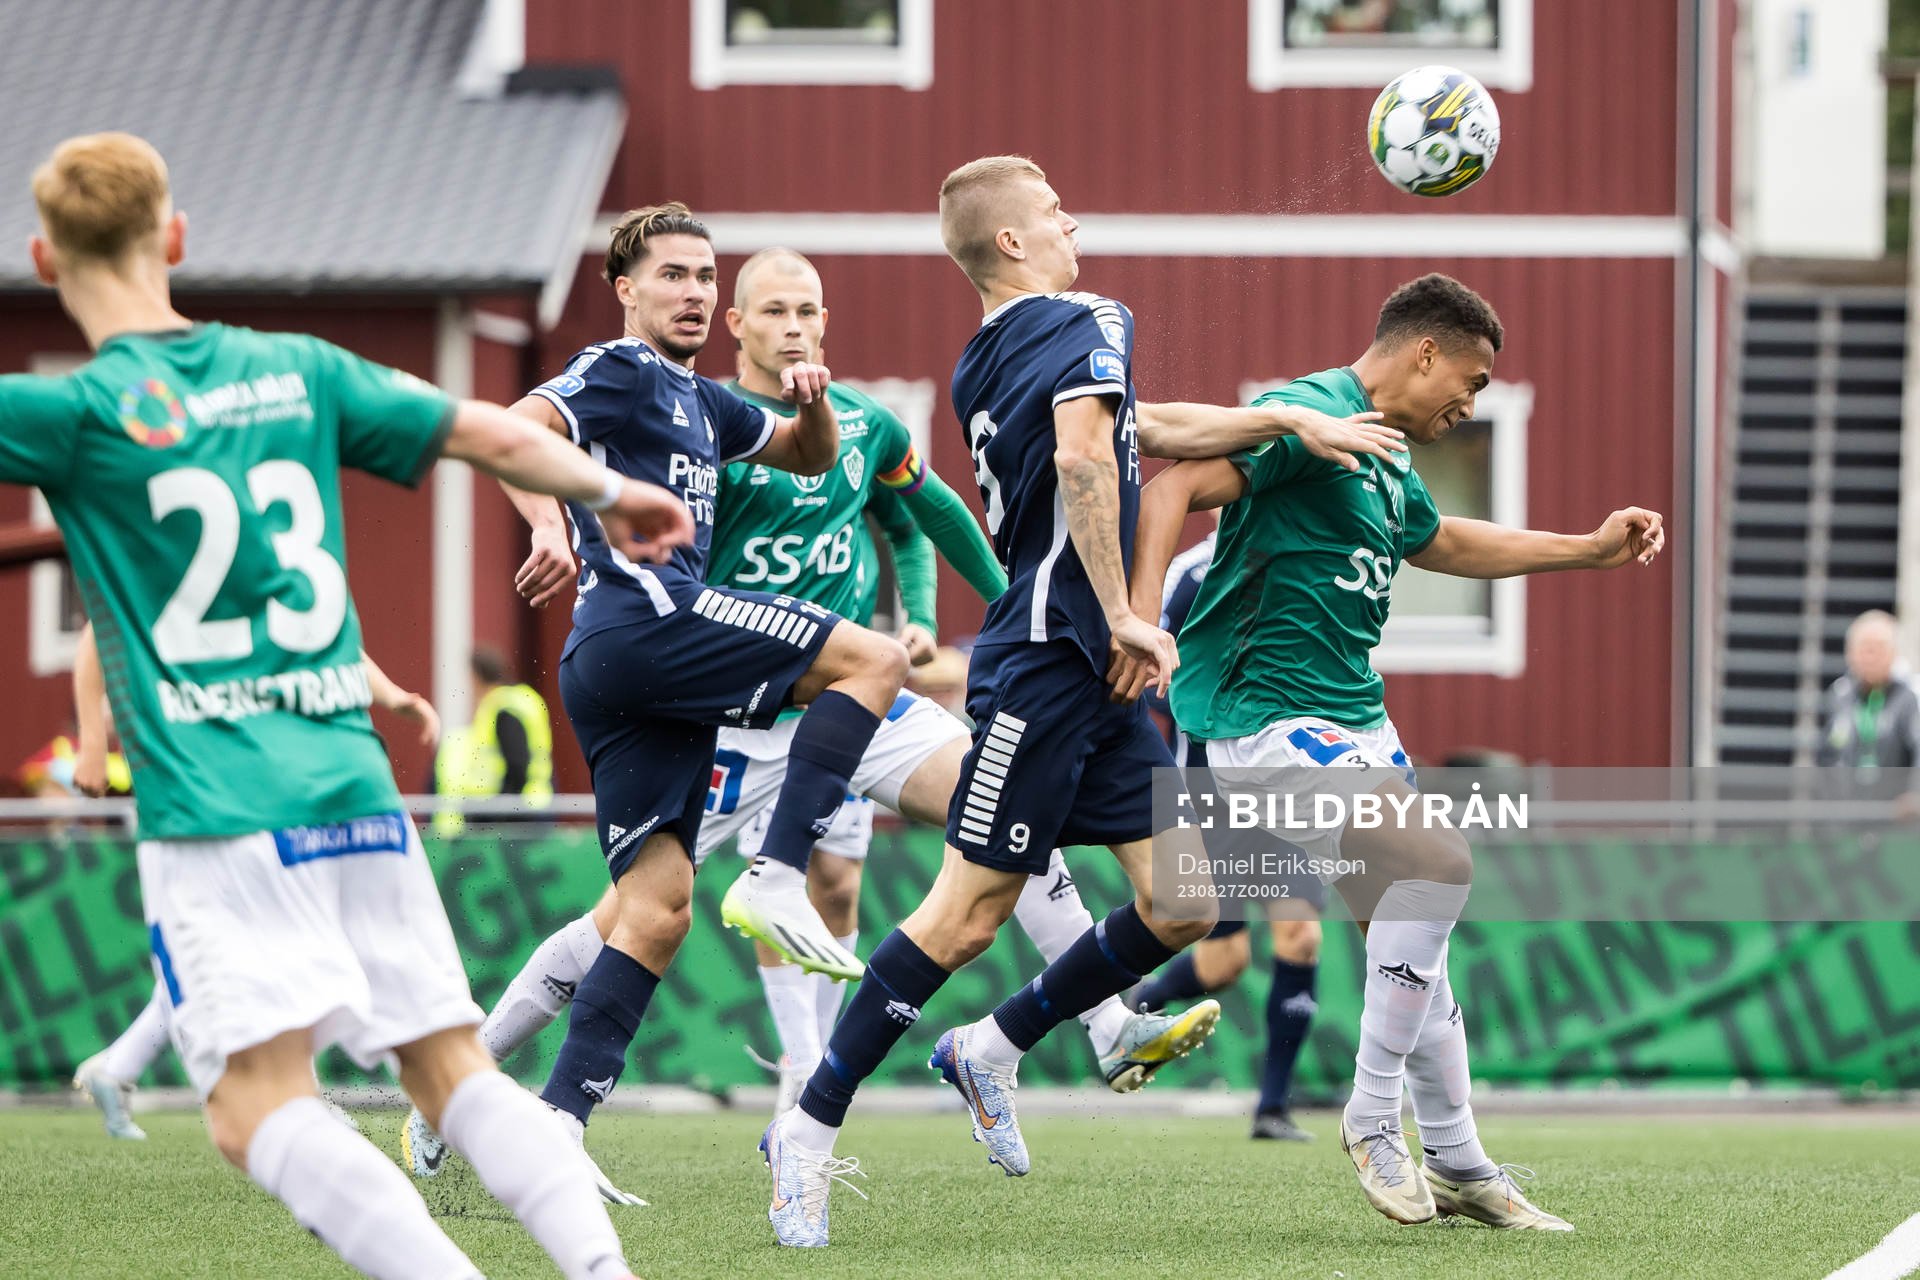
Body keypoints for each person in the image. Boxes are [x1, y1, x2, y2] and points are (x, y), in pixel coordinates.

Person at [0, 131, 697, 1280]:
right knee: (455, 1070)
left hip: (216, 807)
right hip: (354, 785)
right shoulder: (300, 369)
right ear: (173, 240)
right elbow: (477, 428)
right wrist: (611, 491)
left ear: (40, 257)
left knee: (252, 1106)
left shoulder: (72, 412)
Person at [407, 251, 1220, 1183]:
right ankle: (470, 1068)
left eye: (811, 310)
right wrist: (561, 523)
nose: (797, 327)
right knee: (634, 915)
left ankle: (1097, 1021)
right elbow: (570, 466)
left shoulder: (859, 423)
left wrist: (986, 619)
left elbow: (931, 516)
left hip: (848, 695)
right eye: (775, 311)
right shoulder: (689, 415)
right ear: (739, 327)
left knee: (996, 804)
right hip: (731, 694)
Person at [758, 155, 1408, 1248]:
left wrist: (1286, 425)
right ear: (1012, 241)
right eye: (1055, 210)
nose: (1075, 221)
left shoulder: (988, 354)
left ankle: (992, 1047)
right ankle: (808, 1129)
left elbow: (1137, 433)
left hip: (1090, 668)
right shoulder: (1086, 315)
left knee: (1188, 900)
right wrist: (1122, 612)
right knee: (965, 914)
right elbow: (1087, 463)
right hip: (1050, 664)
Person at [1129, 272, 1667, 1232]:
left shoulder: (1386, 458)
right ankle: (1372, 1114)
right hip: (1262, 715)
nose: (1472, 402)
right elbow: (1173, 481)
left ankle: (1459, 1159)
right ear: (1424, 352)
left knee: (1413, 938)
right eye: (1472, 378)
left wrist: (1585, 550)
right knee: (1433, 862)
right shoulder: (1311, 415)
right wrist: (1136, 620)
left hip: (1355, 718)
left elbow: (1444, 542)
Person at [478, 205, 917, 1184]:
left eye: (705, 277)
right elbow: (512, 428)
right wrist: (547, 526)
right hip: (648, 622)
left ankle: (552, 1117)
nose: (693, 292)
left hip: (625, 672)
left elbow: (807, 453)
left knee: (658, 905)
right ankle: (775, 871)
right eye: (672, 275)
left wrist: (815, 397)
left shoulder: (705, 404)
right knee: (875, 661)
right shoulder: (620, 369)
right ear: (626, 290)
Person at [67, 624, 440, 1142]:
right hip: (217, 789)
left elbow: (325, 634)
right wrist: (92, 737)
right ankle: (294, 1098)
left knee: (234, 941)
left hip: (250, 782)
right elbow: (98, 628)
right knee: (277, 934)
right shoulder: (183, 558)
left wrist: (395, 697)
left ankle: (120, 1067)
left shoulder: (251, 573)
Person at [1129, 524, 1325, 1144]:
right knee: (1223, 961)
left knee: (1301, 936)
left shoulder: (1304, 561)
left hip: (1289, 783)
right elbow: (1147, 675)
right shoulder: (1190, 576)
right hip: (1210, 788)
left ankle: (1271, 1109)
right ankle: (1134, 1010)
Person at [431, 646, 552, 833]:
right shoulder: (525, 699)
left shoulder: (501, 706)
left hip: (516, 812)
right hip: (537, 803)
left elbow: (517, 765)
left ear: (477, 676)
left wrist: (500, 813)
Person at [1816, 610, 1920, 771]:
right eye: (1864, 648)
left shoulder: (1907, 699)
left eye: (1878, 648)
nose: (1870, 657)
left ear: (1894, 653)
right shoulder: (1841, 695)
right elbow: (1826, 755)